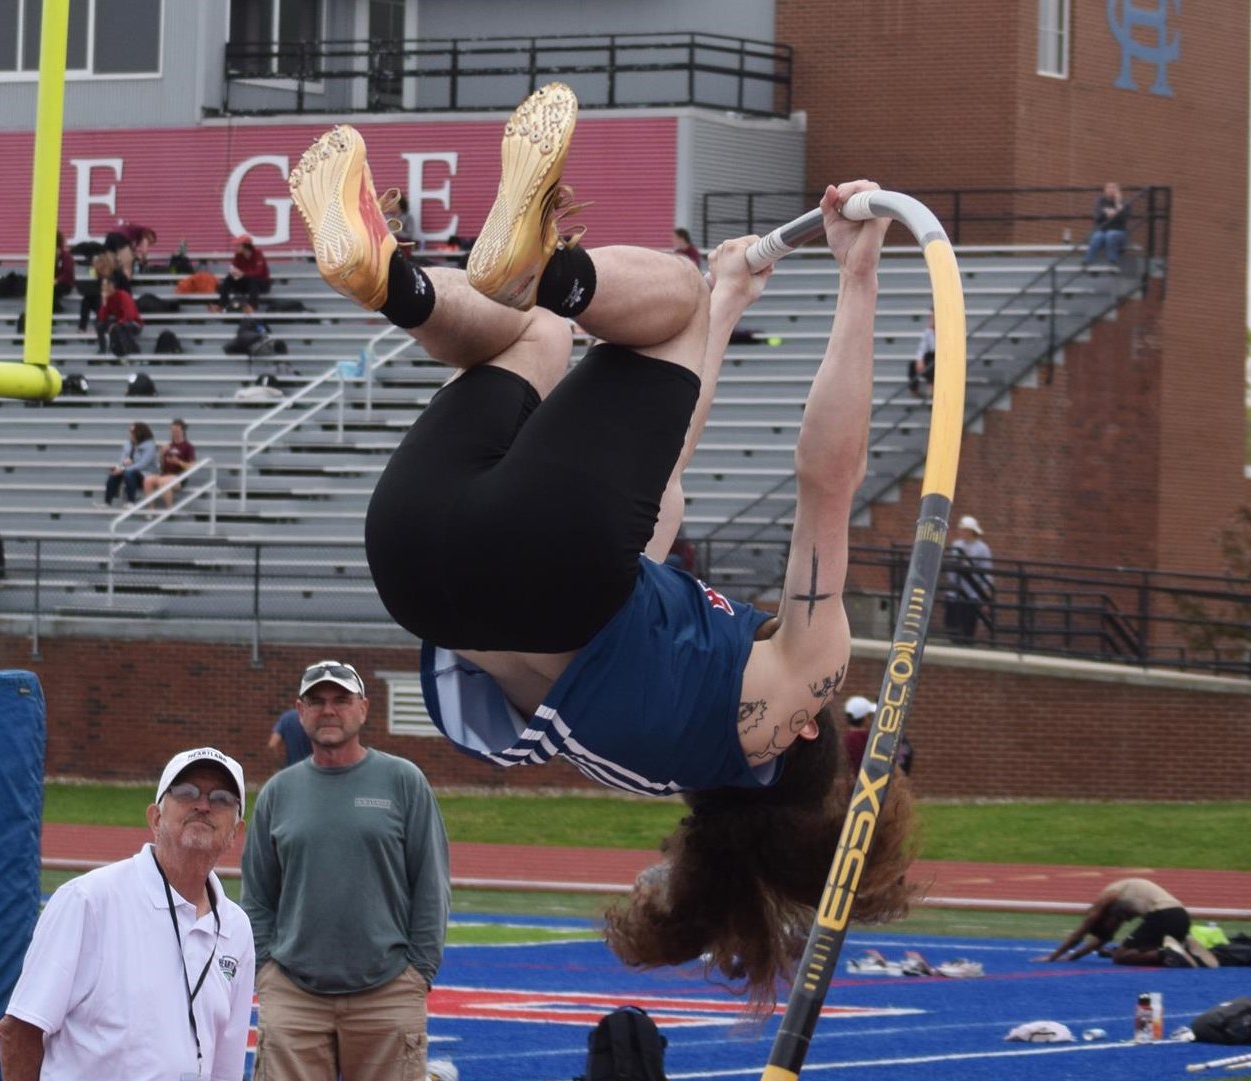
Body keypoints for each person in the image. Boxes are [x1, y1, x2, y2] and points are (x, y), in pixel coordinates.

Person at [285, 83, 914, 1004]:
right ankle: (397, 284)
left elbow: (828, 477)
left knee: (663, 295)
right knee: (533, 336)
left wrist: (854, 275)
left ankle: (546, 265)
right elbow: (656, 464)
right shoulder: (653, 744)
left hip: (555, 571)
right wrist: (730, 305)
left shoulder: (801, 683)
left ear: (812, 733)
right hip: (415, 565)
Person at [242, 660, 449, 1080]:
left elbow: (431, 883)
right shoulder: (278, 793)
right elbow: (257, 895)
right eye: (316, 701)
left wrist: (418, 972)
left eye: (341, 699)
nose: (329, 710)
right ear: (300, 712)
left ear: (363, 709)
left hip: (388, 992)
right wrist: (267, 971)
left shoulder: (403, 781)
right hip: (294, 996)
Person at [0, 747, 253, 1081]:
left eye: (221, 798)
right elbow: (19, 1030)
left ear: (235, 832)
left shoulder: (236, 928)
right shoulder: (88, 901)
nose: (203, 805)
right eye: (186, 792)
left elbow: (227, 1068)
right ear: (155, 818)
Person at [1040, 878, 1216, 967]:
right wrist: (1073, 957)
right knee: (1138, 950)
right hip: (1181, 917)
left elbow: (1080, 933)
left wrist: (1053, 957)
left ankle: (1168, 954)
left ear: (1102, 918)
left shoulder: (1105, 900)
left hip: (1164, 915)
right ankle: (1187, 952)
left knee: (1120, 956)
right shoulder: (1119, 905)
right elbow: (1104, 938)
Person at [943, 515, 993, 640]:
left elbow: (987, 571)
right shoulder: (956, 545)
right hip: (955, 591)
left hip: (972, 593)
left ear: (971, 531)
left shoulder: (982, 548)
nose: (961, 532)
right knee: (951, 622)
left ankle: (966, 640)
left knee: (968, 625)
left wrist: (985, 595)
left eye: (964, 530)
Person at [143, 419, 197, 509]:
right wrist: (161, 455)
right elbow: (162, 467)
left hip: (179, 477)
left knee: (163, 482)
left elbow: (192, 466)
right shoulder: (168, 446)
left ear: (183, 431)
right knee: (148, 480)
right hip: (165, 474)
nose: (174, 433)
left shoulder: (188, 447)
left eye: (177, 430)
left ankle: (170, 509)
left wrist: (178, 462)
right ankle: (151, 509)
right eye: (172, 430)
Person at [102, 422, 159, 507]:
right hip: (128, 471)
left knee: (129, 473)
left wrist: (124, 469)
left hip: (146, 474)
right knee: (114, 473)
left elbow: (143, 464)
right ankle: (107, 502)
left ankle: (131, 501)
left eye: (132, 432)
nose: (130, 434)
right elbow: (123, 460)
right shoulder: (128, 444)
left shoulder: (150, 446)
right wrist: (120, 468)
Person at [219, 234, 273, 310]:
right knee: (228, 280)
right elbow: (233, 268)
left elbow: (258, 273)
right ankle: (223, 305)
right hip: (246, 283)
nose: (236, 247)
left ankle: (252, 306)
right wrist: (233, 273)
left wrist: (243, 274)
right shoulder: (238, 255)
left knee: (254, 281)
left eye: (238, 245)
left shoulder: (258, 254)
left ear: (246, 246)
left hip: (262, 284)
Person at [96, 272, 143, 357]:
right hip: (120, 323)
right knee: (100, 326)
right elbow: (102, 318)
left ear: (111, 285)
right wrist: (104, 303)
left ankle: (131, 349)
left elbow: (129, 315)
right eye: (102, 286)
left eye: (104, 285)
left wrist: (117, 324)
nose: (102, 288)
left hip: (133, 323)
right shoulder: (108, 298)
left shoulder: (123, 295)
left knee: (118, 327)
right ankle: (102, 349)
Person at [1084, 181, 1129, 267]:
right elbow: (1097, 217)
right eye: (1109, 188)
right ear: (1105, 190)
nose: (1111, 190)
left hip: (1119, 232)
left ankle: (1113, 261)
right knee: (1097, 236)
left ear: (1118, 190)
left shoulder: (1124, 202)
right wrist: (1105, 213)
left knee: (1110, 234)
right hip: (1102, 231)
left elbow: (1123, 219)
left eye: (1114, 188)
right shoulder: (1100, 202)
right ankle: (1087, 261)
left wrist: (1117, 204)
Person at [907, 311, 936, 397]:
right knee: (913, 364)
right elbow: (922, 348)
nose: (930, 320)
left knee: (933, 363)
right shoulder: (928, 332)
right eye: (930, 318)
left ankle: (933, 385)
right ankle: (914, 389)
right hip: (930, 356)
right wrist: (920, 360)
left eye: (932, 318)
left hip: (941, 358)